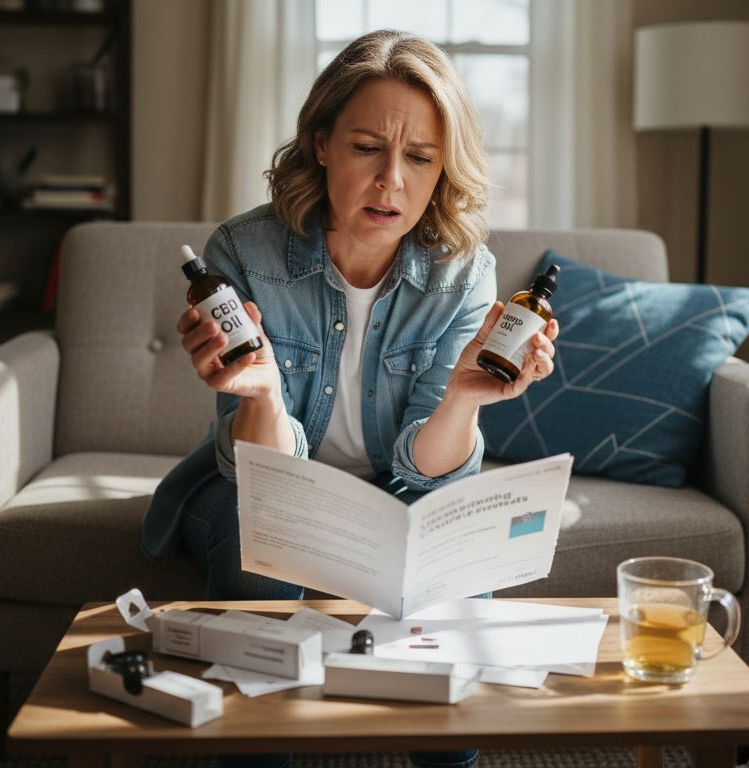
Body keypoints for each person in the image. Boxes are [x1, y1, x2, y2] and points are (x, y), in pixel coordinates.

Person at [141, 29, 557, 768]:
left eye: (420, 158)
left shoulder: (464, 273)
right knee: (261, 554)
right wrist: (262, 392)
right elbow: (257, 478)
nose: (392, 179)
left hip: (396, 490)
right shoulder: (245, 254)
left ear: (441, 171)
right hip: (263, 488)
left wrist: (463, 398)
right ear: (323, 143)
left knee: (460, 585)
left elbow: (430, 471)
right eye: (369, 147)